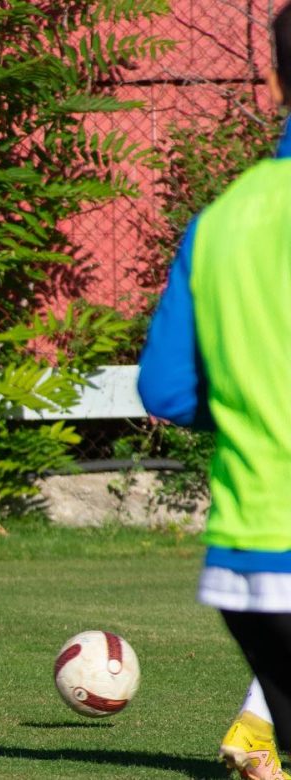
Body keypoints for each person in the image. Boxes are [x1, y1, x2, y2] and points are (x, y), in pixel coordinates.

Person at [138, 4, 291, 775]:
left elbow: (164, 390)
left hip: (248, 564)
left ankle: (256, 728)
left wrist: (250, 411)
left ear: (270, 83)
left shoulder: (222, 220)